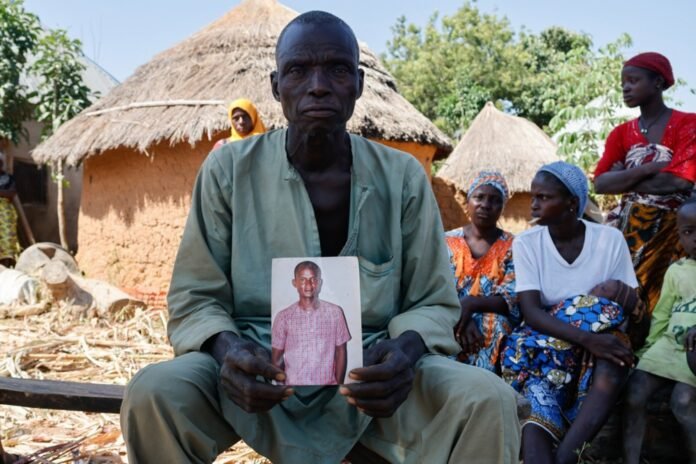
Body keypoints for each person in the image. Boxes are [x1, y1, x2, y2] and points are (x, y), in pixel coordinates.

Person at [120, 11, 520, 464]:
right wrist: (229, 351)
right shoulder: (229, 170)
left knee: (487, 401)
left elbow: (432, 300)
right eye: (298, 70)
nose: (318, 86)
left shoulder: (402, 177)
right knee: (154, 393)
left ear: (359, 85)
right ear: (276, 87)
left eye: (337, 69)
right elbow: (195, 296)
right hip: (256, 368)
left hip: (371, 375)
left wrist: (404, 355)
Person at [502, 161, 640, 464]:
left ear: (572, 203)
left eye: (543, 197)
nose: (534, 204)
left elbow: (625, 304)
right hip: (543, 347)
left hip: (596, 342)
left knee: (614, 361)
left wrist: (595, 339)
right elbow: (531, 313)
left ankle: (568, 455)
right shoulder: (527, 243)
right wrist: (587, 339)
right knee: (535, 441)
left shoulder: (609, 240)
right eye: (534, 196)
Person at [594, 52, 696, 314]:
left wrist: (624, 177)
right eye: (623, 83)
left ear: (658, 83)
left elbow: (679, 181)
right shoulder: (620, 133)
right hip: (628, 232)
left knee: (665, 299)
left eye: (633, 81)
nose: (626, 88)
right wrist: (650, 168)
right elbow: (601, 184)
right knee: (622, 297)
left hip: (674, 228)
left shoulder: (688, 124)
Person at [622, 199, 696, 464]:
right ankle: (631, 460)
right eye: (688, 232)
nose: (695, 238)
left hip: (694, 353)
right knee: (635, 391)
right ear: (679, 235)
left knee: (683, 401)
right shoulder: (676, 271)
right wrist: (647, 350)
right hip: (669, 345)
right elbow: (662, 315)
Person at [445, 171, 519, 373]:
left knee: (493, 323)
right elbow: (433, 285)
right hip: (448, 312)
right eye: (479, 197)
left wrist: (471, 304)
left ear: (502, 207)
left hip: (490, 320)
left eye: (495, 200)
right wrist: (461, 313)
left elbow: (510, 298)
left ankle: (484, 382)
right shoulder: (446, 241)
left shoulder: (515, 246)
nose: (485, 205)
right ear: (468, 201)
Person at [271, 261, 351, 385]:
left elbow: (341, 351)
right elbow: (276, 358)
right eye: (303, 280)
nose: (308, 285)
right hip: (294, 388)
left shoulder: (335, 313)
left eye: (313, 279)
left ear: (319, 282)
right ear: (294, 283)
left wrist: (337, 387)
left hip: (326, 387)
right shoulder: (283, 317)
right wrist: (282, 389)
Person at [0, 152, 18, 268]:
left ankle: (5, 267)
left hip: (5, 212)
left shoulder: (9, 178)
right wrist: (3, 193)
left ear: (1, 163)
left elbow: (11, 193)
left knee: (7, 239)